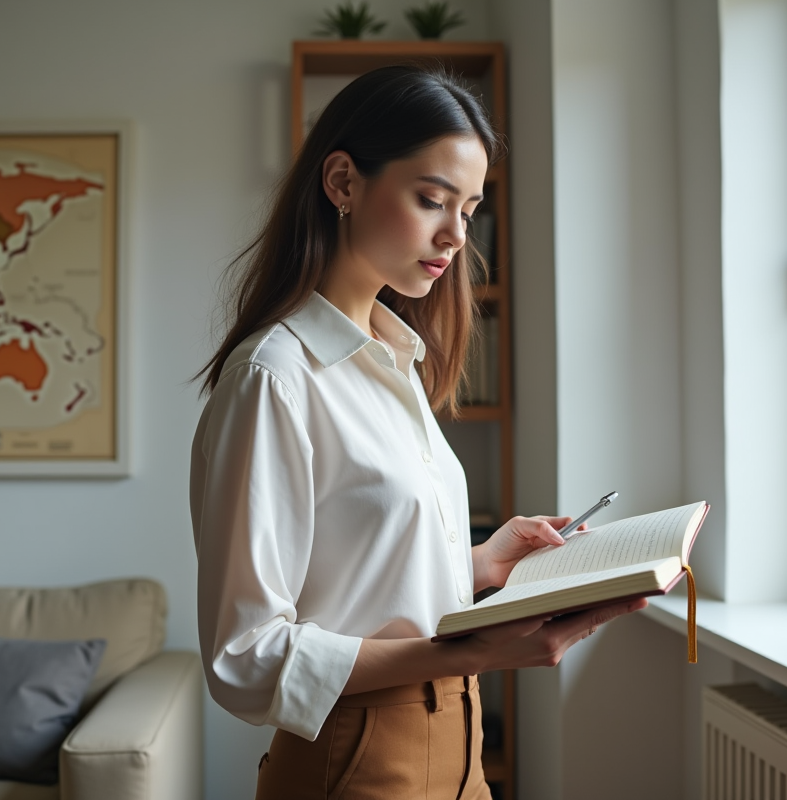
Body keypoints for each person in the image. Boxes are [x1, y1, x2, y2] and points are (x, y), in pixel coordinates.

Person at [190, 65, 647, 800]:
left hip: (459, 747)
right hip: (358, 753)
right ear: (342, 182)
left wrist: (484, 561)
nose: (455, 235)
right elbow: (246, 657)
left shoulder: (394, 357)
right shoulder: (275, 379)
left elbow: (359, 580)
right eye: (432, 199)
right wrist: (474, 652)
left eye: (468, 209)